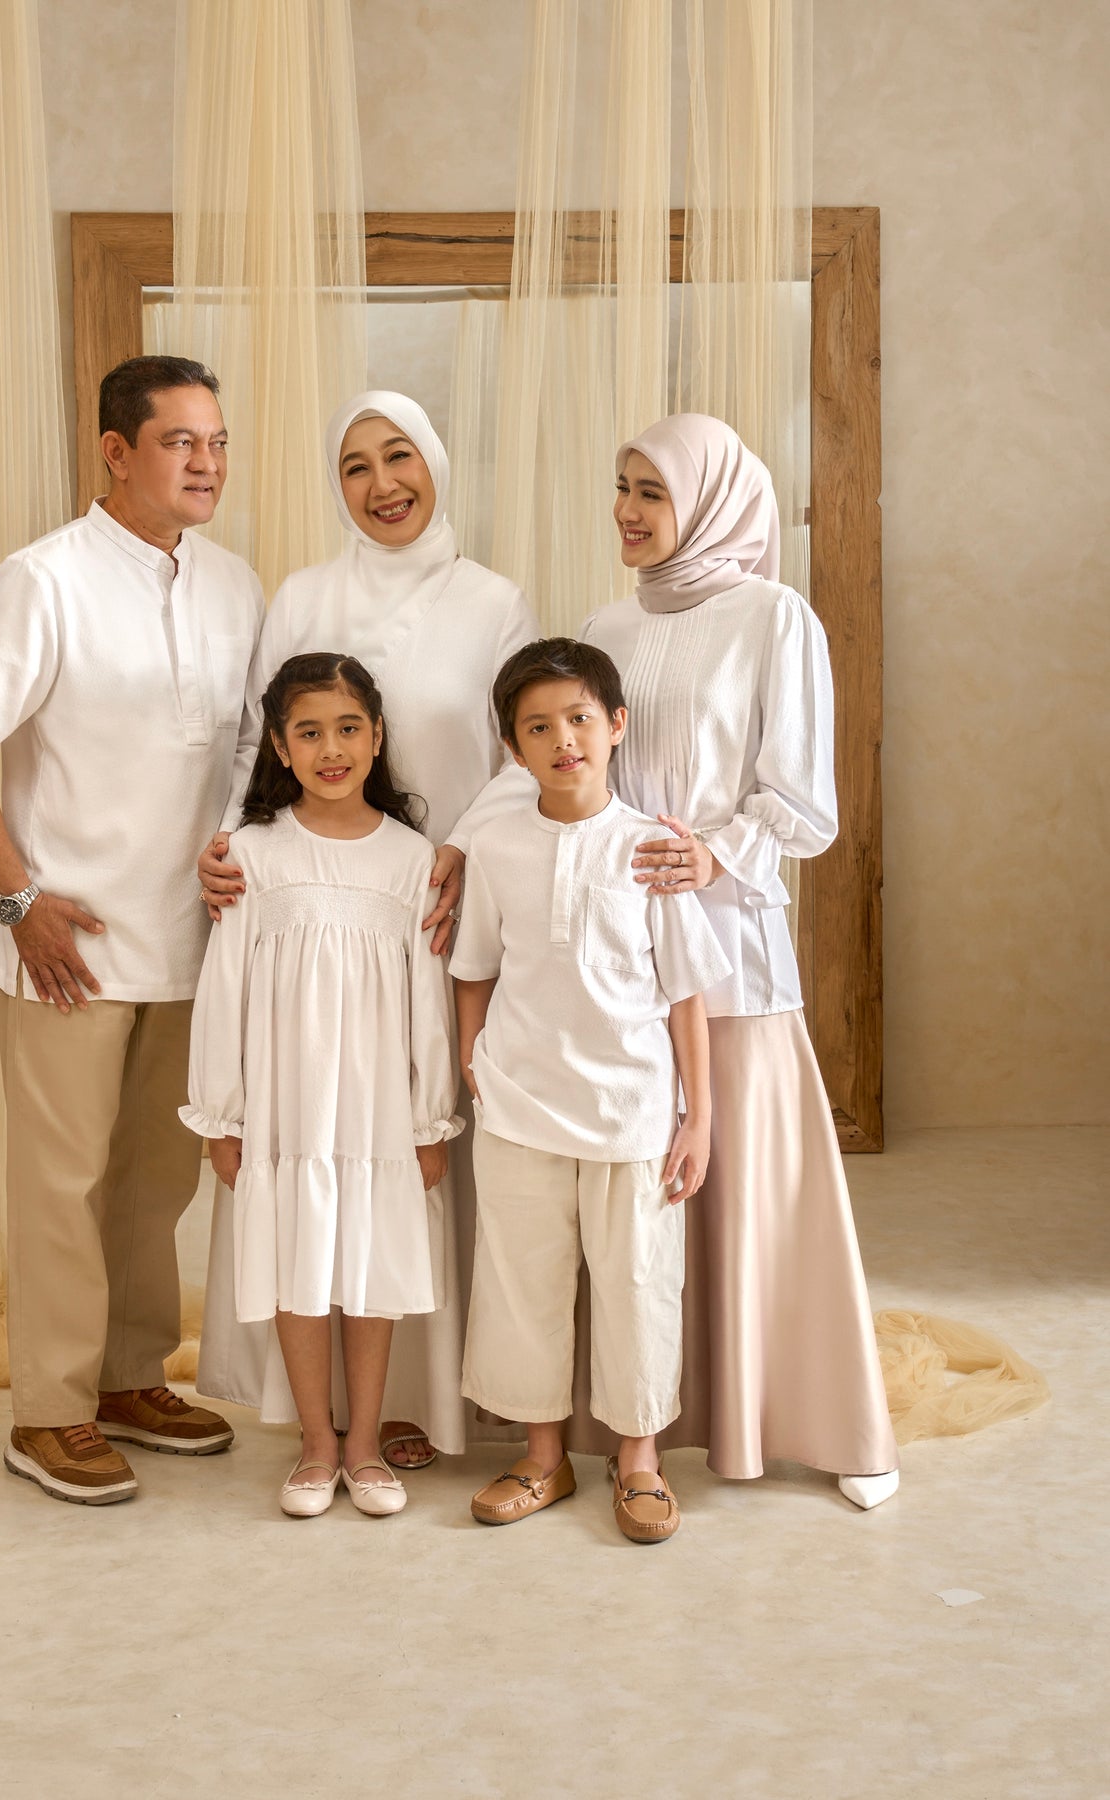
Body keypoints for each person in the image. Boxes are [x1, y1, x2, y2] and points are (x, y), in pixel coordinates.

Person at [0, 356, 263, 1506]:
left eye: (217, 441)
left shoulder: (235, 586)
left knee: (154, 1183)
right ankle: (50, 1412)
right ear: (116, 452)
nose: (207, 463)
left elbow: (242, 749)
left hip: (192, 939)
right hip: (67, 945)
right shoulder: (45, 580)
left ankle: (128, 1377)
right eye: (180, 442)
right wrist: (18, 901)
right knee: (62, 1186)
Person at [195, 390, 539, 1466]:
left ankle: (417, 1401)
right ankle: (316, 1416)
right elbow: (253, 740)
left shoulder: (493, 602)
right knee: (313, 1135)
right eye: (356, 466)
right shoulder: (304, 595)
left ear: (435, 463)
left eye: (400, 457)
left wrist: (459, 850)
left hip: (436, 904)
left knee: (420, 1146)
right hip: (306, 906)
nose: (383, 484)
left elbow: (520, 756)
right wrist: (226, 843)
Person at [579, 412, 900, 1510]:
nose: (627, 510)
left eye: (652, 492)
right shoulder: (603, 628)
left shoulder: (775, 617)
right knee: (637, 1191)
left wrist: (713, 852)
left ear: (710, 502)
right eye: (622, 486)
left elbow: (803, 803)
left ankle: (822, 1422)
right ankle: (643, 1419)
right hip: (622, 954)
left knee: (760, 1194)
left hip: (731, 943)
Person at [450, 638, 730, 1542]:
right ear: (512, 747)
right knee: (520, 1284)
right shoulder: (495, 846)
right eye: (537, 727)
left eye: (577, 718)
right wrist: (472, 1061)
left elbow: (685, 995)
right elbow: (474, 968)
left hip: (633, 1112)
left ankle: (639, 1462)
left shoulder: (652, 848)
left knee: (638, 1283)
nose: (561, 739)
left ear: (615, 725)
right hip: (520, 1105)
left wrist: (698, 1118)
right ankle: (542, 1459)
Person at [181, 653, 463, 1517]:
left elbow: (428, 1001)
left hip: (379, 1109)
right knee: (296, 1264)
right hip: (286, 1105)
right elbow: (224, 986)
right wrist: (222, 1116)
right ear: (280, 745)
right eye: (309, 733)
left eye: (348, 729)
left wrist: (429, 1120)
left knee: (371, 1267)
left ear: (377, 737)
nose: (331, 750)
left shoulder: (412, 859)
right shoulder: (253, 854)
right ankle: (314, 1444)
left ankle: (365, 1444)